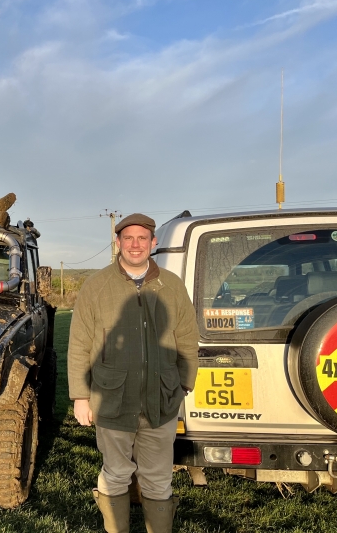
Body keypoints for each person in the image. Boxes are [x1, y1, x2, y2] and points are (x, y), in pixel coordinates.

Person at [67, 213, 199, 533]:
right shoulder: (96, 286)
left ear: (154, 243)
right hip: (112, 399)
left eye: (142, 238)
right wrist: (81, 397)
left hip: (162, 398)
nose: (135, 244)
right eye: (128, 238)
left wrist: (184, 382)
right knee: (115, 473)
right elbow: (80, 343)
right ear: (118, 243)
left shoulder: (172, 285)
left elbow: (187, 337)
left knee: (157, 477)